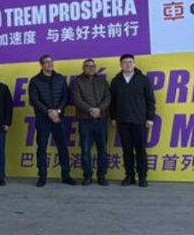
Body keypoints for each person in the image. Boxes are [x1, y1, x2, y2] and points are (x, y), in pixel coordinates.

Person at [109, 54, 156, 187]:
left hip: (139, 121)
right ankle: (129, 176)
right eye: (125, 62)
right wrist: (113, 117)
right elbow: (112, 102)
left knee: (140, 150)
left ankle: (142, 177)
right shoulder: (116, 81)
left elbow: (150, 101)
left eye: (130, 62)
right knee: (127, 150)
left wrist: (150, 118)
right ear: (121, 65)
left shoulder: (143, 80)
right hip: (123, 121)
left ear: (134, 64)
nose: (128, 64)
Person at [28, 54, 73, 187]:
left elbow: (66, 97)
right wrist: (48, 112)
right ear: (41, 65)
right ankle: (42, 177)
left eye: (51, 61)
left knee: (63, 147)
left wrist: (57, 111)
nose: (49, 64)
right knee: (42, 148)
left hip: (59, 118)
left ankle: (66, 176)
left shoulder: (60, 78)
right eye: (46, 62)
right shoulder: (35, 81)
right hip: (43, 119)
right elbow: (34, 100)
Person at [72, 58, 111, 186]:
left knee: (102, 149)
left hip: (101, 119)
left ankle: (102, 176)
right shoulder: (77, 81)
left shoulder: (102, 81)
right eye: (87, 66)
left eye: (93, 66)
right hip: (85, 120)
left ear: (95, 68)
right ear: (83, 68)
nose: (90, 68)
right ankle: (87, 176)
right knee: (85, 149)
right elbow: (77, 99)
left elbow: (108, 97)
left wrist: (100, 109)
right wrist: (90, 110)